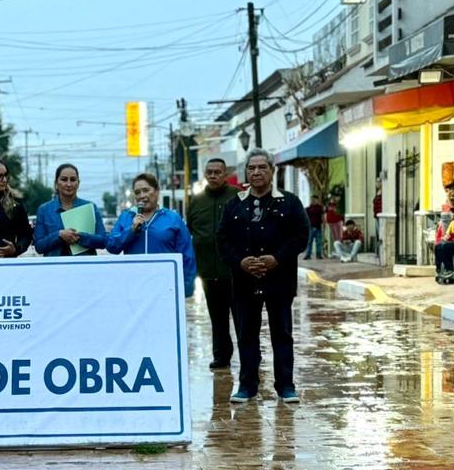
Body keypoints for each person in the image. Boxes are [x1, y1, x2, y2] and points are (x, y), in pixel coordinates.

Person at [216, 147, 309, 404]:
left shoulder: (289, 202)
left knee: (282, 334)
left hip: (279, 281)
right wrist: (240, 261)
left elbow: (301, 236)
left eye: (262, 167)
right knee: (246, 335)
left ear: (272, 170)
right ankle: (246, 386)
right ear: (246, 172)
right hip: (244, 281)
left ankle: (286, 386)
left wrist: (277, 258)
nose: (256, 172)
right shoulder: (234, 204)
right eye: (251, 168)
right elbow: (222, 240)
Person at [106, 172, 196, 297]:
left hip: (166, 286)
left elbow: (187, 255)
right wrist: (131, 230)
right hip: (134, 287)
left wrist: (186, 288)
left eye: (146, 190)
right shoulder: (126, 217)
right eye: (137, 192)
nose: (142, 196)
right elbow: (111, 246)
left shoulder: (173, 219)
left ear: (157, 191)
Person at [185, 157, 238, 371]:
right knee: (217, 318)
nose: (214, 176)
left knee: (243, 317)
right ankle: (221, 356)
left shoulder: (237, 197)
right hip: (207, 270)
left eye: (218, 172)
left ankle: (250, 356)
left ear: (225, 174)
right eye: (210, 172)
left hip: (235, 270)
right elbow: (190, 228)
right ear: (205, 174)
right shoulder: (196, 201)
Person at [32, 163, 107, 257]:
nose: (68, 184)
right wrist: (59, 235)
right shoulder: (44, 210)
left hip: (84, 266)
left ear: (78, 183)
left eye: (73, 180)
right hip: (54, 267)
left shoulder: (90, 207)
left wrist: (81, 236)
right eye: (64, 179)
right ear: (56, 184)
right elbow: (39, 246)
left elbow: (104, 241)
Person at [303, 194, 324, 260]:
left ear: (317, 200)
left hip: (318, 227)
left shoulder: (320, 208)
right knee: (309, 242)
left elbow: (323, 217)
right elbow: (305, 218)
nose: (313, 201)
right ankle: (308, 255)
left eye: (314, 199)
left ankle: (319, 254)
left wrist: (323, 225)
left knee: (319, 242)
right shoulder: (308, 209)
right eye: (312, 199)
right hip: (310, 228)